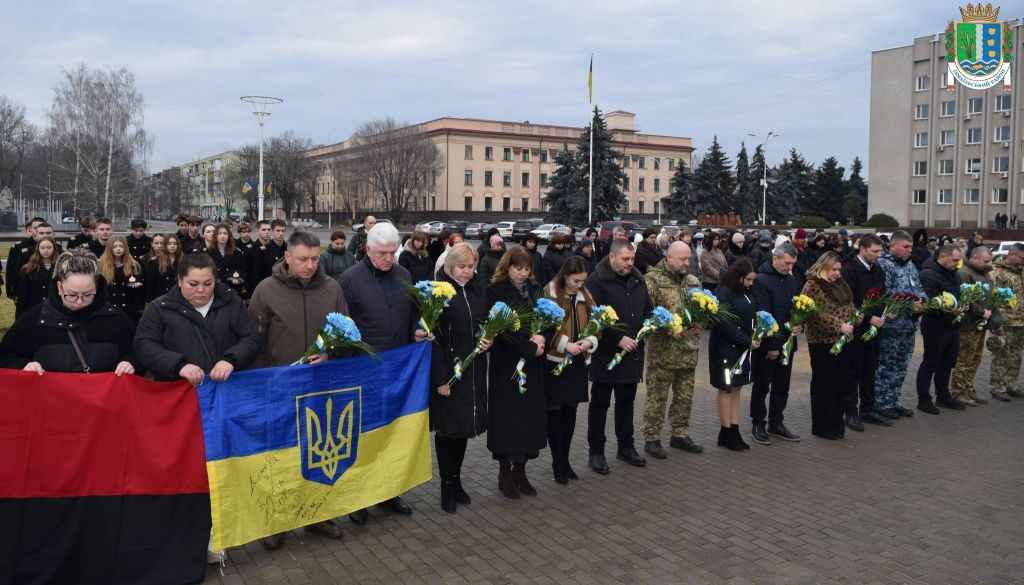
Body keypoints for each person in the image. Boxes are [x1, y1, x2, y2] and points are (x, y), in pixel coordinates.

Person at [248, 230, 347, 549]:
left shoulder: (331, 288)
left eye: (315, 259)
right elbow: (254, 341)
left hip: (320, 388)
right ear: (287, 257)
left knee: (317, 451)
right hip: (279, 388)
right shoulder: (266, 290)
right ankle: (278, 521)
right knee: (281, 455)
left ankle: (316, 515)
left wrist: (331, 353)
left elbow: (346, 332)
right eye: (303, 259)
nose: (310, 265)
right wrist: (263, 383)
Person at [338, 222, 428, 522]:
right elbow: (343, 327)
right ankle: (358, 500)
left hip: (398, 373)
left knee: (392, 435)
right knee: (364, 438)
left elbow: (414, 313)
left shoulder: (404, 275)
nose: (389, 259)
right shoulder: (349, 280)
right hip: (365, 373)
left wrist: (417, 330)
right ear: (368, 249)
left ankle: (390, 492)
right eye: (382, 253)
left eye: (393, 252)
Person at [0, 249, 137, 376]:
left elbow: (136, 352)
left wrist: (130, 363)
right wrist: (24, 365)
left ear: (96, 286)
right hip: (51, 394)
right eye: (71, 295)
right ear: (59, 287)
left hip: (103, 394)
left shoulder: (117, 318)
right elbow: (6, 356)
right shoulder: (33, 319)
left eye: (87, 294)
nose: (79, 301)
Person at [134, 252, 261, 384]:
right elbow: (144, 345)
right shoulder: (159, 308)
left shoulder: (232, 303)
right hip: (178, 388)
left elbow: (252, 337)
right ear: (179, 280)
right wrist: (178, 365)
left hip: (225, 387)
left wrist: (231, 360)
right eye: (193, 284)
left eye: (207, 284)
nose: (200, 290)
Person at [429, 243, 492, 512]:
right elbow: (435, 340)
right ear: (449, 266)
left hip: (473, 370)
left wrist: (489, 339)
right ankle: (446, 484)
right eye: (461, 267)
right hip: (449, 372)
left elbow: (485, 322)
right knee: (447, 430)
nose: (467, 271)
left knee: (463, 428)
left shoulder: (477, 289)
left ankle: (456, 480)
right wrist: (441, 379)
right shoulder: (438, 292)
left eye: (470, 267)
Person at [585, 239, 653, 473]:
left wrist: (649, 326)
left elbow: (647, 309)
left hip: (632, 354)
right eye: (625, 259)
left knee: (626, 403)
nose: (630, 263)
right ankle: (596, 452)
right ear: (612, 257)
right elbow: (593, 317)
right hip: (606, 355)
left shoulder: (638, 279)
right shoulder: (596, 281)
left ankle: (626, 446)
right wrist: (616, 338)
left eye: (632, 259)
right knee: (600, 405)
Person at [486, 246, 549, 498]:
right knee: (508, 419)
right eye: (517, 268)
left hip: (533, 366)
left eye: (527, 269)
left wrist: (542, 338)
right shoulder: (496, 291)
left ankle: (520, 471)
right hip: (507, 365)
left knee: (528, 419)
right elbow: (500, 331)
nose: (522, 273)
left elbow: (549, 318)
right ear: (507, 267)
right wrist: (529, 348)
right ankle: (505, 471)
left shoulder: (535, 290)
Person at [642, 242, 704, 459]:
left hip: (688, 350)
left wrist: (701, 323)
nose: (687, 263)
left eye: (689, 259)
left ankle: (679, 434)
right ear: (668, 257)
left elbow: (703, 309)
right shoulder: (653, 280)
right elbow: (647, 313)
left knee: (685, 396)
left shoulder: (692, 281)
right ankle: (652, 438)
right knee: (657, 397)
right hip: (663, 352)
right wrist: (667, 328)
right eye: (682, 259)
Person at [543, 256, 599, 484]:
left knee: (571, 410)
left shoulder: (585, 295)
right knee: (555, 411)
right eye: (576, 280)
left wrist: (589, 341)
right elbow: (544, 327)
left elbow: (598, 322)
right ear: (565, 276)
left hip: (578, 360)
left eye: (583, 280)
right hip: (556, 360)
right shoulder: (550, 293)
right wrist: (565, 344)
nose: (579, 285)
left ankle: (565, 460)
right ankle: (557, 461)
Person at [749, 242, 803, 445]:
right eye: (787, 263)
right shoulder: (761, 280)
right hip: (768, 345)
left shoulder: (792, 279)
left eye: (793, 264)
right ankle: (758, 423)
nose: (790, 267)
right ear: (775, 259)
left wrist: (800, 324)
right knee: (762, 385)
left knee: (782, 385)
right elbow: (764, 314)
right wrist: (772, 344)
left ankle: (776, 422)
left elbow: (796, 307)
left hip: (788, 342)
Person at [839, 233, 893, 431]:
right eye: (875, 251)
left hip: (875, 329)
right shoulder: (849, 269)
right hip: (856, 329)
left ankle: (868, 409)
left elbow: (881, 295)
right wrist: (869, 317)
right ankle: (850, 412)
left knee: (870, 370)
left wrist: (887, 311)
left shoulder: (877, 269)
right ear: (862, 249)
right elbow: (849, 301)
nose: (879, 255)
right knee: (853, 371)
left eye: (880, 251)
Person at [801, 252, 858, 440]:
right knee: (824, 384)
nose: (837, 273)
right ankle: (823, 427)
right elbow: (813, 314)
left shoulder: (839, 283)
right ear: (823, 267)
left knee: (840, 384)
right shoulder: (813, 285)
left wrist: (856, 317)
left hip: (843, 341)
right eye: (833, 270)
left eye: (839, 270)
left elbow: (849, 306)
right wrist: (838, 325)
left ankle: (836, 424)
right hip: (822, 343)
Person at [874, 231, 927, 419]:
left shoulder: (910, 265)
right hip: (891, 326)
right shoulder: (884, 265)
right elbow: (884, 295)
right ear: (893, 245)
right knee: (886, 366)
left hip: (909, 325)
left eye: (911, 247)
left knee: (901, 366)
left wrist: (923, 302)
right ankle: (881, 403)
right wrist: (909, 305)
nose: (909, 250)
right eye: (906, 246)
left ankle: (894, 401)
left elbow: (919, 288)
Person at [709, 259, 759, 450]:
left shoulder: (745, 292)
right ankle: (726, 430)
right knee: (726, 389)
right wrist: (746, 340)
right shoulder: (723, 292)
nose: (750, 284)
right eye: (748, 280)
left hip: (741, 349)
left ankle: (734, 428)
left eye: (752, 280)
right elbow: (723, 323)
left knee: (737, 388)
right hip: (725, 349)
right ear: (739, 277)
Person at [916, 244, 966, 414]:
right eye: (955, 260)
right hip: (935, 326)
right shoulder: (928, 274)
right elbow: (927, 303)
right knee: (931, 362)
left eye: (959, 260)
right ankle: (923, 399)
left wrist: (963, 303)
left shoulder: (953, 272)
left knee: (947, 362)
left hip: (952, 325)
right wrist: (949, 310)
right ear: (943, 256)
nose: (957, 264)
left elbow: (957, 293)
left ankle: (943, 396)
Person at [951, 246, 1000, 406]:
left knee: (976, 359)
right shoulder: (964, 273)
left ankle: (968, 387)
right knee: (964, 359)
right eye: (985, 261)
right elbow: (965, 299)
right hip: (968, 325)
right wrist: (981, 312)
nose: (988, 264)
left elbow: (989, 297)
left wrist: (994, 318)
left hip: (981, 324)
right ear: (975, 258)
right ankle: (958, 391)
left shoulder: (984, 273)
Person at [989, 243, 1024, 401]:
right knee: (1002, 355)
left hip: (1021, 321)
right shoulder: (996, 271)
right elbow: (991, 299)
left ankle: (1010, 384)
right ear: (1012, 254)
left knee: (1016, 355)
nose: (1023, 261)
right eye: (1021, 258)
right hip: (1006, 321)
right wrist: (996, 322)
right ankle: (997, 387)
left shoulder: (1021, 271)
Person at [99, 235, 145, 324]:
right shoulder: (101, 265)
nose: (118, 249)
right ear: (109, 248)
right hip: (109, 305)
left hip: (128, 305)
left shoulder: (134, 265)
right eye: (114, 246)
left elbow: (139, 290)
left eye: (121, 246)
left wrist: (140, 307)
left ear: (125, 248)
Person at [14, 236, 57, 319]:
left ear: (54, 248)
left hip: (54, 309)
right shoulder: (29, 268)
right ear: (38, 249)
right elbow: (23, 294)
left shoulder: (61, 267)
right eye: (42, 248)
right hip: (34, 308)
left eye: (49, 247)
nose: (46, 250)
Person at [207, 223, 247, 296]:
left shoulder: (237, 252)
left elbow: (242, 270)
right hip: (214, 290)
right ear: (215, 236)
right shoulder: (208, 252)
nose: (222, 236)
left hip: (232, 289)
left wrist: (237, 278)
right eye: (219, 233)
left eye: (225, 233)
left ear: (229, 236)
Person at [146, 233, 183, 301]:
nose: (172, 246)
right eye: (169, 244)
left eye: (175, 244)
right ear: (165, 245)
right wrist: (151, 301)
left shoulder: (183, 261)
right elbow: (150, 285)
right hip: (160, 298)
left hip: (178, 298)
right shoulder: (154, 262)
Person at [251, 219, 287, 285]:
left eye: (283, 231)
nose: (281, 233)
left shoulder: (289, 249)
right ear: (272, 232)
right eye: (278, 230)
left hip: (285, 285)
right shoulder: (263, 251)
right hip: (268, 286)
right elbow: (257, 274)